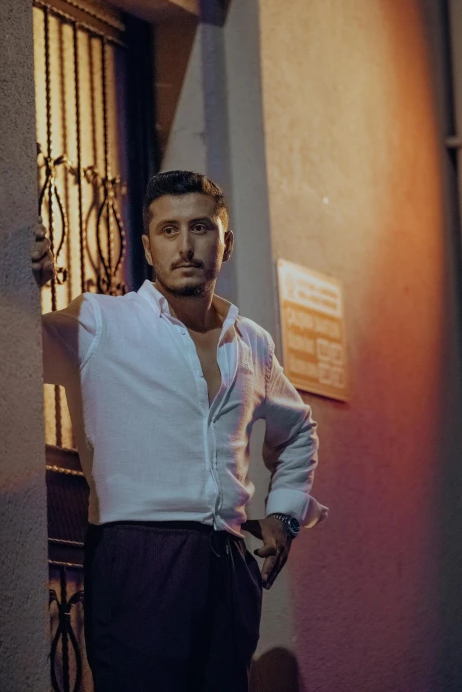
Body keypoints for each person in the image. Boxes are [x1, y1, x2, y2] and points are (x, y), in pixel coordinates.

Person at [31, 170, 328, 692]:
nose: (186, 246)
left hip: (229, 563)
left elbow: (299, 428)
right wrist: (22, 279)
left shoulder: (251, 341)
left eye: (200, 228)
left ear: (225, 242)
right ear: (146, 246)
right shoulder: (102, 321)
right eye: (169, 231)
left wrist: (285, 513)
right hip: (138, 558)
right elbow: (17, 349)